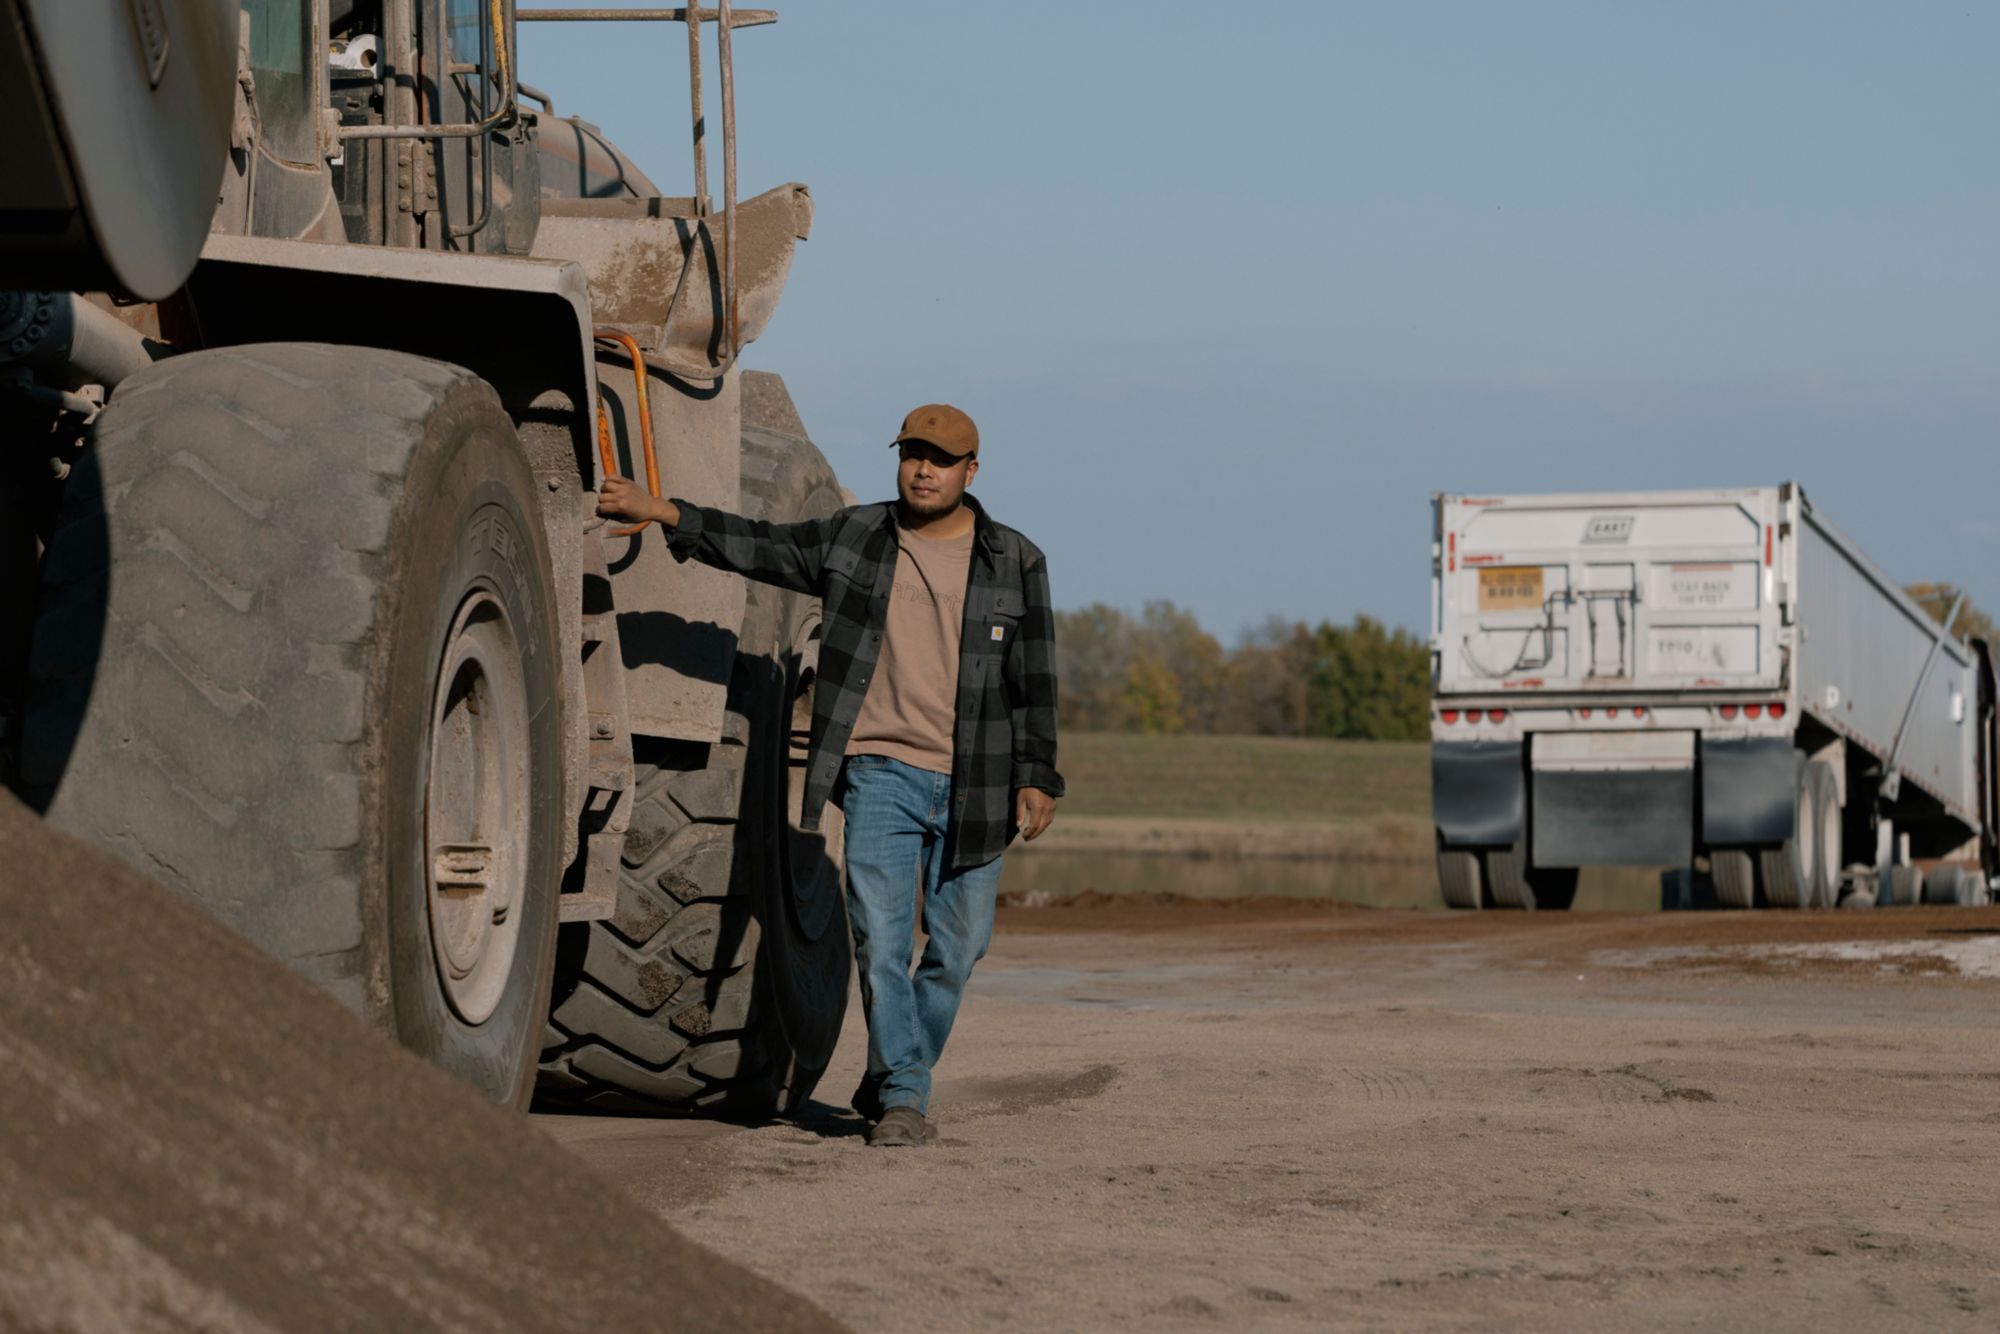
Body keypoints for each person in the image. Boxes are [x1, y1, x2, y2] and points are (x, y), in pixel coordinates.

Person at [597, 402, 1063, 1147]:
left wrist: (1037, 774)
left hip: (979, 783)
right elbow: (763, 546)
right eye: (912, 454)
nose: (923, 470)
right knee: (881, 944)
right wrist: (667, 512)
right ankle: (905, 1096)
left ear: (971, 472)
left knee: (958, 951)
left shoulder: (1015, 560)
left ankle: (887, 1074)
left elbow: (1033, 680)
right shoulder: (856, 537)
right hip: (879, 772)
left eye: (940, 460)